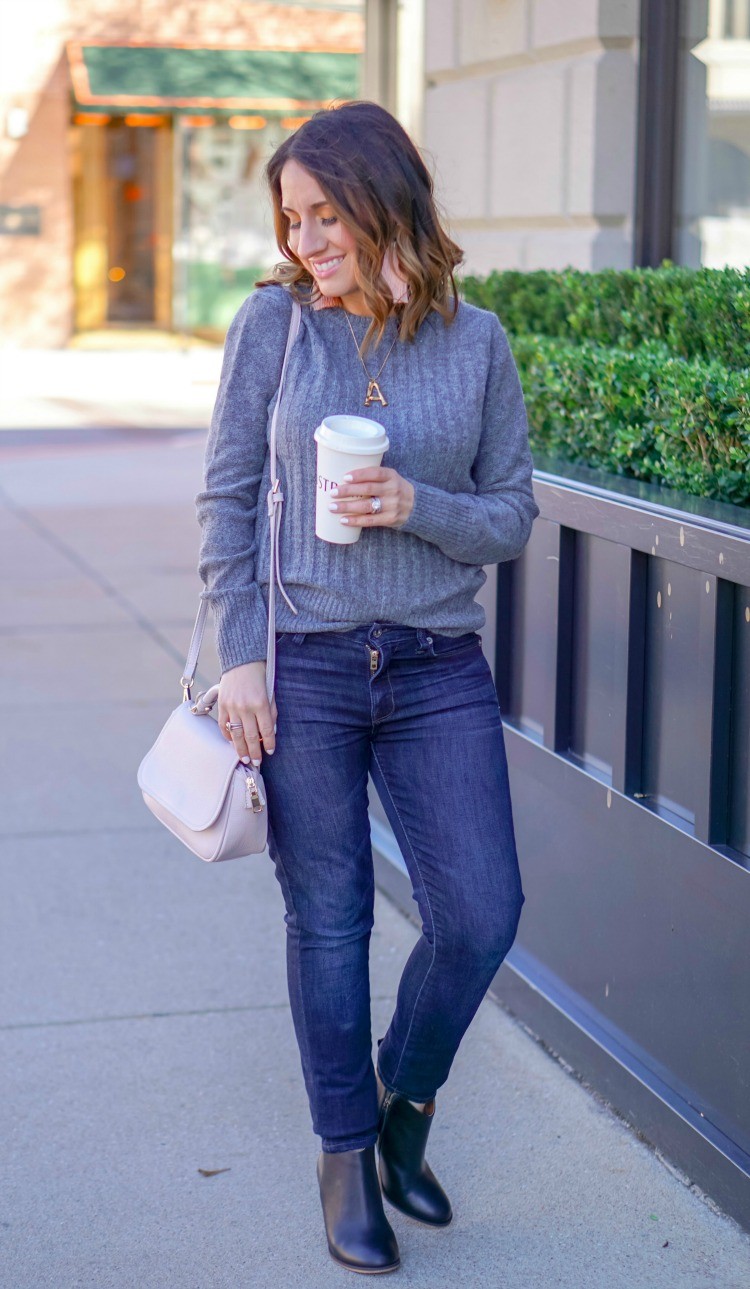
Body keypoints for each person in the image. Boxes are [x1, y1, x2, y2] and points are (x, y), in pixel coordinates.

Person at [195, 100, 540, 1275]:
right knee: (330, 920)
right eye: (290, 220)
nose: (302, 242)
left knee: (481, 914)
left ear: (383, 198)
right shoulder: (275, 329)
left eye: (323, 214)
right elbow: (229, 497)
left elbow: (510, 517)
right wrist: (240, 647)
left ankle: (408, 1100)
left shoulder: (476, 341)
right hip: (307, 666)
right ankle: (346, 1153)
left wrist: (413, 505)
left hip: (438, 664)